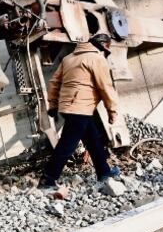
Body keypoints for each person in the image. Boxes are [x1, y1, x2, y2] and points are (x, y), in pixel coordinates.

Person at [41, 33, 121, 187]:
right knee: (67, 144)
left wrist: (53, 105)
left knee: (93, 140)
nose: (104, 52)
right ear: (103, 45)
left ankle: (104, 172)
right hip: (79, 108)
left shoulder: (69, 58)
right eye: (106, 49)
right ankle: (47, 180)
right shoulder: (96, 59)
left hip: (71, 107)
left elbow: (54, 83)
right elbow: (106, 87)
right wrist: (112, 111)